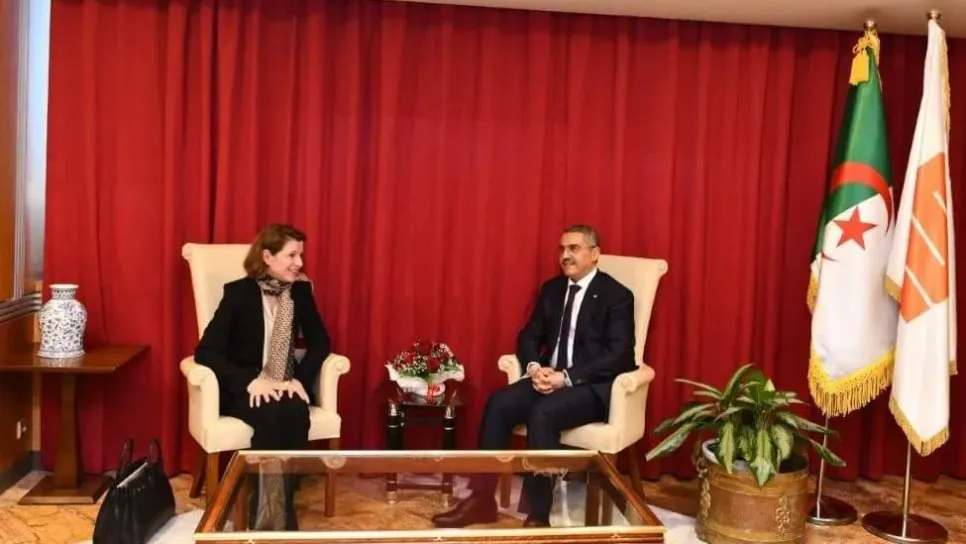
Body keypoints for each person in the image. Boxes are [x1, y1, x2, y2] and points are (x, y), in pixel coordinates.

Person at [432, 224, 636, 528]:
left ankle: (538, 515)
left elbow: (619, 355)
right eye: (562, 249)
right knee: (499, 403)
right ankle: (481, 500)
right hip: (547, 378)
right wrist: (534, 368)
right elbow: (528, 336)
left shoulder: (616, 296)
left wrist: (566, 377)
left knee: (543, 412)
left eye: (574, 248)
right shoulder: (552, 289)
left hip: (589, 387)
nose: (565, 255)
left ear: (594, 254)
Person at [194, 223, 331, 530]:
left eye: (301, 255)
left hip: (285, 380)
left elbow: (321, 342)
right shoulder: (238, 294)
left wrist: (300, 379)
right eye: (291, 255)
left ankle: (281, 504)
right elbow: (206, 351)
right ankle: (268, 512)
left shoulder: (300, 293)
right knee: (271, 414)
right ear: (267, 257)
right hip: (246, 386)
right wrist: (250, 382)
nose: (299, 263)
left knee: (295, 410)